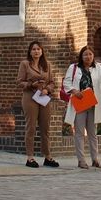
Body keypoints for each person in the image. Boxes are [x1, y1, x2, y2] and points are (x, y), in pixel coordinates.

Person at [62, 45, 101, 169]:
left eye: (90, 54)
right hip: (80, 102)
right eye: (85, 55)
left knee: (92, 133)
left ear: (93, 56)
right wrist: (74, 91)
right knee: (79, 132)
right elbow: (66, 82)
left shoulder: (97, 67)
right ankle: (81, 160)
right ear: (81, 57)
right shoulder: (74, 68)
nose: (88, 57)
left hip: (93, 103)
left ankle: (95, 159)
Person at [18, 40, 58, 168]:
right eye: (34, 49)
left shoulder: (47, 65)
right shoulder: (25, 64)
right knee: (31, 127)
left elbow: (52, 82)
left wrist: (47, 90)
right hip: (30, 96)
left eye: (38, 49)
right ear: (30, 51)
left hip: (43, 97)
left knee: (45, 128)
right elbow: (20, 82)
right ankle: (30, 157)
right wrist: (31, 84)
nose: (36, 51)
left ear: (42, 51)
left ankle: (47, 156)